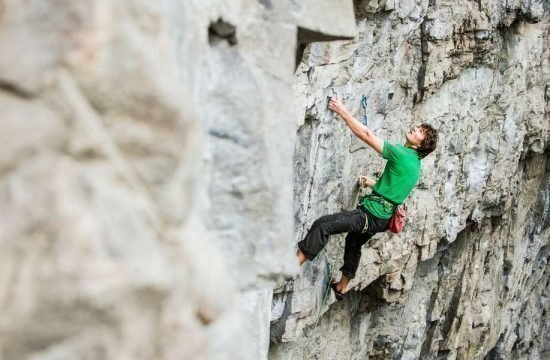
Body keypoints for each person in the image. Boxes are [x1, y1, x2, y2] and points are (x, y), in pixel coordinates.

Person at [296, 96, 438, 300]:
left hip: (372, 215)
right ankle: (341, 287)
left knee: (323, 225)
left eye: (420, 132)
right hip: (383, 218)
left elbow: (365, 135)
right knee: (354, 241)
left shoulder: (401, 154)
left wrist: (341, 110)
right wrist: (373, 183)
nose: (415, 129)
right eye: (417, 127)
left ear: (420, 144)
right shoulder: (415, 164)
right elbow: (398, 188)